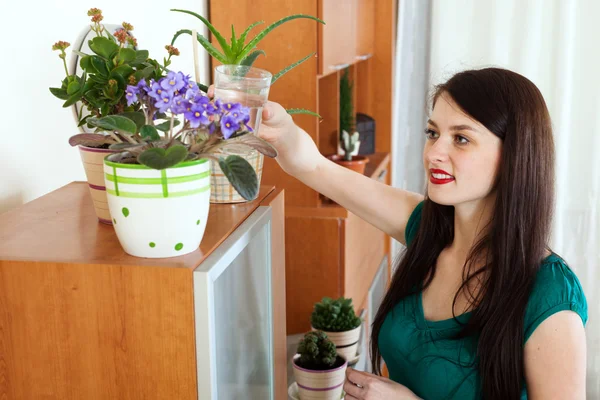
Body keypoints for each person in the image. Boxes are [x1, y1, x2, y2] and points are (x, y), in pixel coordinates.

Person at [209, 67, 588, 399]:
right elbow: (314, 168)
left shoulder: (550, 295)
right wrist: (283, 130)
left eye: (461, 138)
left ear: (516, 155)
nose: (433, 153)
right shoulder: (430, 230)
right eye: (432, 132)